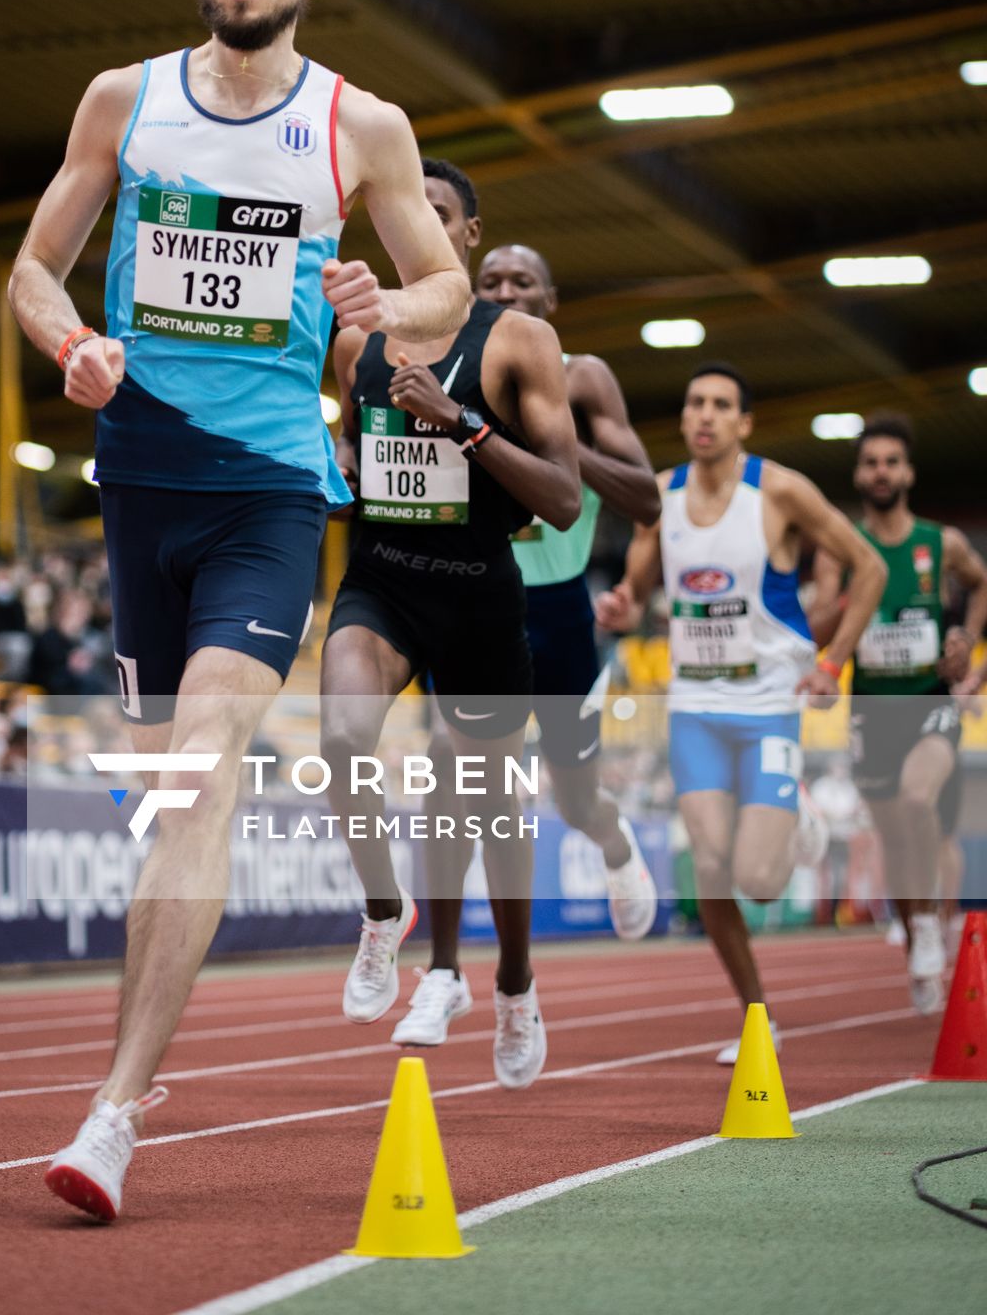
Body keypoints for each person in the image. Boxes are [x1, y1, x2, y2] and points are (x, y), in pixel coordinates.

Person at [9, 0, 470, 1221]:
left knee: (203, 767)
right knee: (166, 801)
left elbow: (441, 283)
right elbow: (33, 268)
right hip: (137, 489)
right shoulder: (124, 100)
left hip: (271, 493)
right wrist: (73, 344)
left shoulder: (359, 125)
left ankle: (111, 1115)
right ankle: (128, 1081)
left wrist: (392, 302)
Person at [321, 161, 581, 1089]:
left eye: (437, 214)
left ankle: (512, 983)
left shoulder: (519, 342)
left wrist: (462, 423)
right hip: (385, 582)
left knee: (492, 813)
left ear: (466, 236)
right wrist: (337, 464)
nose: (416, 227)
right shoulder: (357, 341)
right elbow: (353, 453)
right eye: (402, 215)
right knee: (343, 736)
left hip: (477, 595)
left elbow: (563, 498)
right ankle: (382, 913)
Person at [397, 241, 662, 1050]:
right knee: (460, 774)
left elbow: (648, 498)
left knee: (574, 797)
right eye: (491, 282)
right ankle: (446, 971)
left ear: (551, 298)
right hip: (474, 596)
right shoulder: (451, 365)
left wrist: (553, 452)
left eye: (522, 282)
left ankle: (613, 843)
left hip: (557, 615)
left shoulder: (582, 377)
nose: (506, 289)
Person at [596, 363, 885, 1062]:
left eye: (722, 405)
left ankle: (799, 810)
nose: (705, 415)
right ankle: (758, 1015)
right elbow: (637, 583)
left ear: (744, 422)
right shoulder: (661, 496)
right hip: (694, 707)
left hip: (766, 707)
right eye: (695, 402)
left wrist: (830, 661)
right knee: (712, 869)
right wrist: (625, 605)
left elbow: (869, 567)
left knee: (759, 878)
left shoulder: (779, 491)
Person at [809, 414, 987, 1012]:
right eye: (870, 462)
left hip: (929, 703)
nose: (881, 471)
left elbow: (981, 584)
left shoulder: (941, 544)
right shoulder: (842, 547)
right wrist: (854, 591)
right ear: (858, 474)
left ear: (907, 471)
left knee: (918, 801)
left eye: (891, 461)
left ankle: (936, 923)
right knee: (892, 835)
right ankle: (918, 938)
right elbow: (816, 626)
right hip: (871, 713)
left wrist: (964, 635)